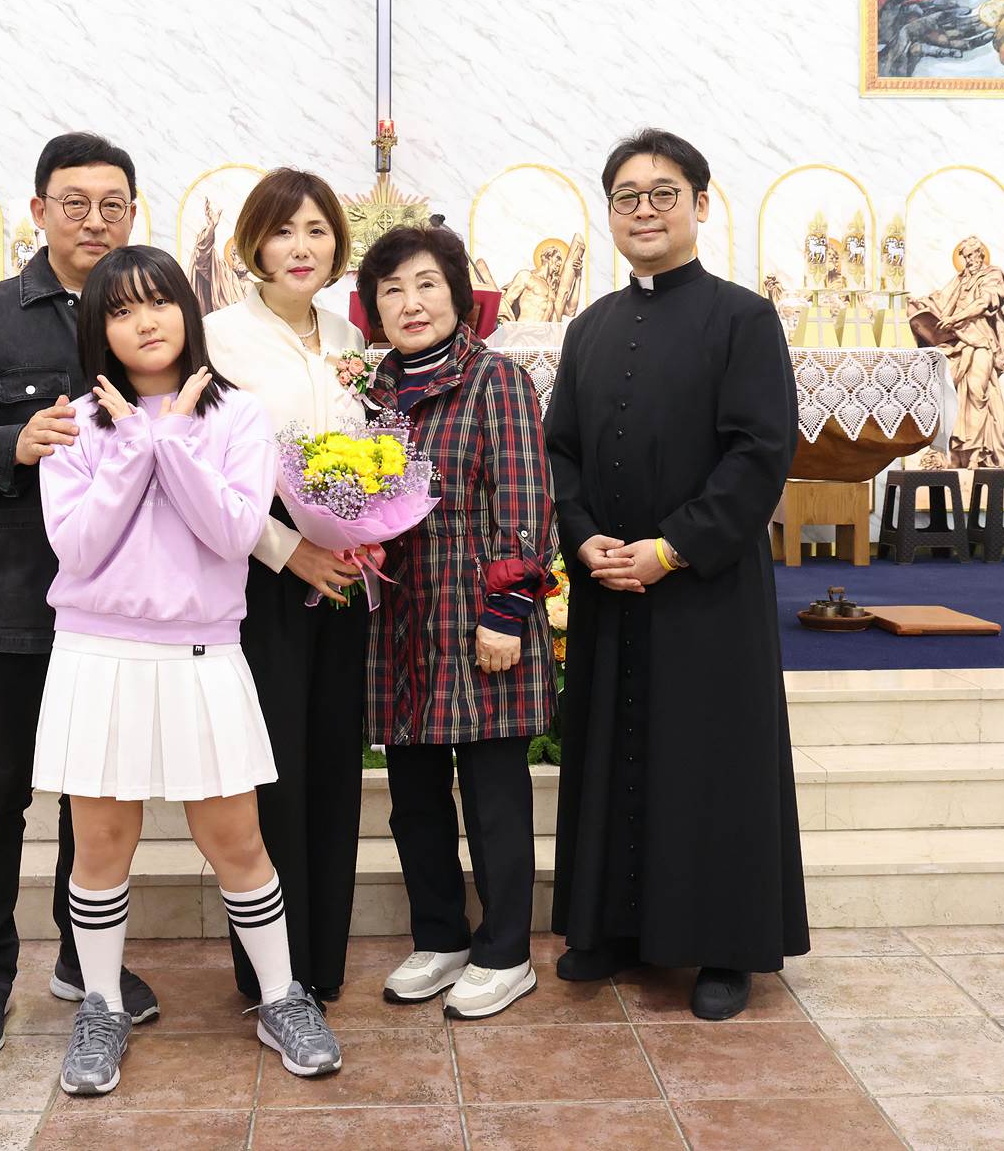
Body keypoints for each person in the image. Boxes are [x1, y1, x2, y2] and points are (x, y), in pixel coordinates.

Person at [35, 245, 342, 1096]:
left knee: (237, 840)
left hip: (203, 651)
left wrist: (168, 441)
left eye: (159, 302)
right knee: (101, 843)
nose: (145, 322)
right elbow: (79, 548)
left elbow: (234, 532)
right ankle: (101, 1005)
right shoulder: (75, 423)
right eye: (121, 310)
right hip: (100, 653)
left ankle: (281, 997)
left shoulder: (237, 415)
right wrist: (138, 443)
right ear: (98, 330)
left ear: (187, 310)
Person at [0, 133, 160, 1059]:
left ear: (133, 212)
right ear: (39, 210)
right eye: (75, 203)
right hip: (18, 598)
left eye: (113, 204)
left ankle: (83, 961)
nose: (95, 221)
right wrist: (5, 444)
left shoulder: (154, 315)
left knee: (96, 789)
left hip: (124, 604)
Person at [546, 129, 808, 1021]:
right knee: (613, 749)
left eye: (663, 193)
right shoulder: (589, 327)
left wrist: (672, 548)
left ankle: (726, 946)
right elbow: (561, 452)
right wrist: (585, 539)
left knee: (710, 760)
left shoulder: (742, 319)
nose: (645, 210)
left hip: (704, 588)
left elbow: (758, 454)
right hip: (611, 584)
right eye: (627, 196)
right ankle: (611, 928)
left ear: (700, 203)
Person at [358, 224, 556, 1020]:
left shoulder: (496, 380)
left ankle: (506, 952)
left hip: (479, 620)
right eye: (392, 290)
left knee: (493, 795)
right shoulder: (371, 392)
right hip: (401, 623)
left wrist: (507, 611)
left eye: (426, 284)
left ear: (457, 295)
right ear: (374, 308)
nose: (411, 303)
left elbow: (524, 498)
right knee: (413, 797)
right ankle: (439, 937)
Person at [204, 169, 369, 1007]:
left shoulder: (348, 335)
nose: (301, 247)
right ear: (252, 245)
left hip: (347, 571)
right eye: (282, 230)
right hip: (260, 574)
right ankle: (272, 970)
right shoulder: (218, 338)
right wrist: (286, 549)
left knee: (335, 758)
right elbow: (200, 474)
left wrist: (364, 530)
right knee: (273, 765)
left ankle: (322, 961)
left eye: (317, 230)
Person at [911, 235, 1004, 469]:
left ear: (980, 254)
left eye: (971, 256)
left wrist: (955, 318)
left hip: (981, 343)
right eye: (965, 257)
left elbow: (984, 302)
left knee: (977, 392)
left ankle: (977, 453)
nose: (968, 261)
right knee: (952, 396)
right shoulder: (960, 280)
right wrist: (918, 304)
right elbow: (940, 300)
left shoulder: (992, 276)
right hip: (956, 344)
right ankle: (955, 455)